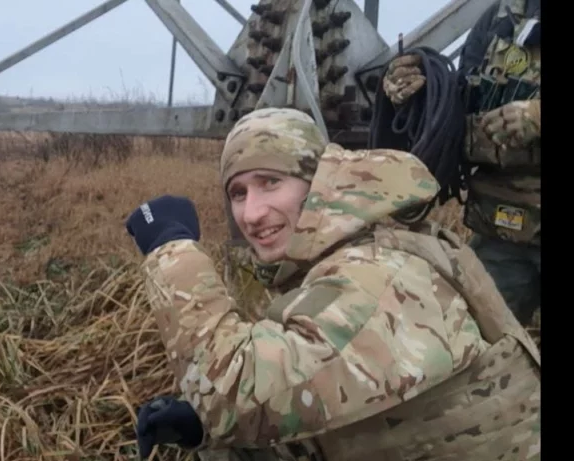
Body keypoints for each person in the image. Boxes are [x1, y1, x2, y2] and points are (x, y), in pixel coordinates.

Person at [123, 107, 540, 461]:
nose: (251, 213)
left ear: (317, 182)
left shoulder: (378, 276)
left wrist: (170, 248)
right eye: (238, 193)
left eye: (270, 182)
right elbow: (328, 420)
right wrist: (200, 429)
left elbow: (233, 397)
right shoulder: (347, 256)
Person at [381, 0, 540, 326]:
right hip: (505, 230)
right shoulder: (500, 17)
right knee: (476, 339)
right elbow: (464, 99)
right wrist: (422, 89)